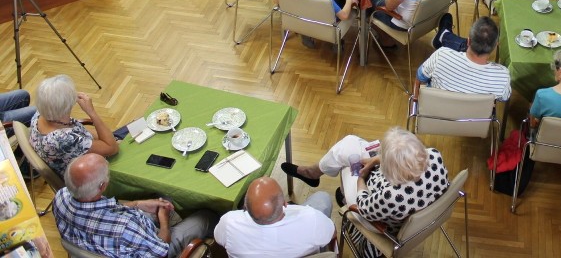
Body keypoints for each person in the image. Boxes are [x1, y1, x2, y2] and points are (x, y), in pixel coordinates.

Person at [281, 127, 448, 258]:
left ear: (390, 169)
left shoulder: (390, 197)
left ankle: (314, 175)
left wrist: (362, 176)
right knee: (350, 142)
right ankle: (312, 173)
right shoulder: (434, 156)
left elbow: (362, 205)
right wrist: (376, 159)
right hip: (418, 207)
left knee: (347, 160)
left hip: (373, 217)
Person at [53, 153, 216, 258]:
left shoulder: (61, 197)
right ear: (102, 186)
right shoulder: (126, 227)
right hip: (153, 246)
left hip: (98, 247)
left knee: (163, 198)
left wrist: (137, 204)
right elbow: (162, 249)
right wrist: (163, 220)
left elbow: (102, 211)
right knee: (207, 216)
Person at [214, 176, 335, 258]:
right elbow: (331, 233)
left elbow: (219, 239)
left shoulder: (228, 222)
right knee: (322, 197)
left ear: (244, 206)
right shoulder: (311, 218)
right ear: (285, 203)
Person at [29, 75, 118, 176]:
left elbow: (84, 134)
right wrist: (92, 112)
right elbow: (112, 148)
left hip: (80, 157)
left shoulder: (39, 115)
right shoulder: (63, 139)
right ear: (67, 105)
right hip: (90, 175)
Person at [415, 16, 511, 101]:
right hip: (474, 120)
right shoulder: (502, 76)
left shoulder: (441, 55)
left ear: (468, 41)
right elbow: (504, 97)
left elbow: (420, 76)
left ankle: (444, 35)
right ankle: (444, 35)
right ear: (495, 46)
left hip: (434, 116)